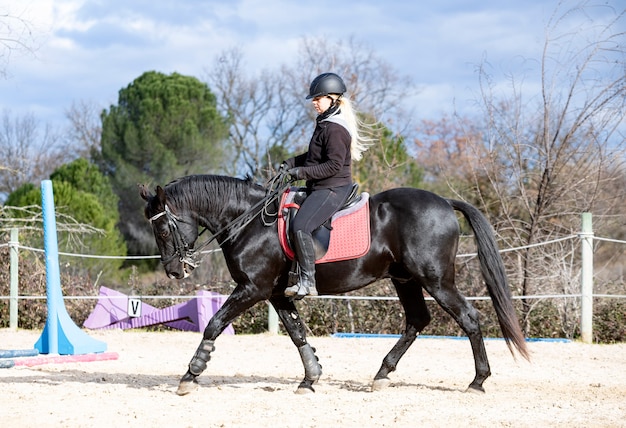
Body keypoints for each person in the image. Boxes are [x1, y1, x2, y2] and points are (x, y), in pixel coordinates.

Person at [282, 72, 371, 298]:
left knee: (300, 226)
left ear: (333, 100)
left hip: (333, 189)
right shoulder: (324, 125)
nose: (314, 101)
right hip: (321, 187)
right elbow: (314, 156)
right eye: (314, 98)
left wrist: (300, 172)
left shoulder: (335, 129)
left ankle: (308, 281)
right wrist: (289, 164)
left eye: (318, 98)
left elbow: (332, 166)